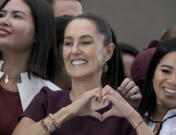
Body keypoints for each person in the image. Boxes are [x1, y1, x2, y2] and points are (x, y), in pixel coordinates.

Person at [13, 13, 145, 135]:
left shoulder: (122, 112)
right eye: (68, 43)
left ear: (108, 52)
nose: (74, 50)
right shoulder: (47, 99)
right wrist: (68, 111)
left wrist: (132, 115)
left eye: (85, 42)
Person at [0, 0, 60, 134]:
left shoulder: (52, 96)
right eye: (1, 15)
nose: (4, 21)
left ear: (39, 32)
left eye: (17, 16)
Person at [139, 38, 176, 135]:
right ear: (152, 74)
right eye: (165, 71)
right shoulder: (136, 115)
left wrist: (132, 117)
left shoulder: (132, 117)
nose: (172, 81)